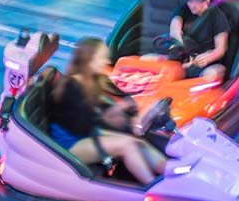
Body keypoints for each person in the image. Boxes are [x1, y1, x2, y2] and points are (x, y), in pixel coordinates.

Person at [49, 37, 166, 185]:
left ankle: (170, 173)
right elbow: (80, 125)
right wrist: (112, 114)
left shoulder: (97, 79)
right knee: (127, 145)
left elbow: (125, 99)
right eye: (102, 58)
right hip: (68, 143)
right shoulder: (71, 86)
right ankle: (153, 188)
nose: (107, 62)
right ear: (88, 60)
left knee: (138, 142)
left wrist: (131, 117)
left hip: (87, 132)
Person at [168, 0, 231, 80]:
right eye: (190, 0)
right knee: (149, 59)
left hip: (206, 63)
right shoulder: (183, 9)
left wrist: (207, 58)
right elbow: (175, 29)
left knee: (211, 74)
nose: (193, 5)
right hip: (182, 57)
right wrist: (183, 55)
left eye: (198, 1)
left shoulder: (217, 16)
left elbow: (220, 49)